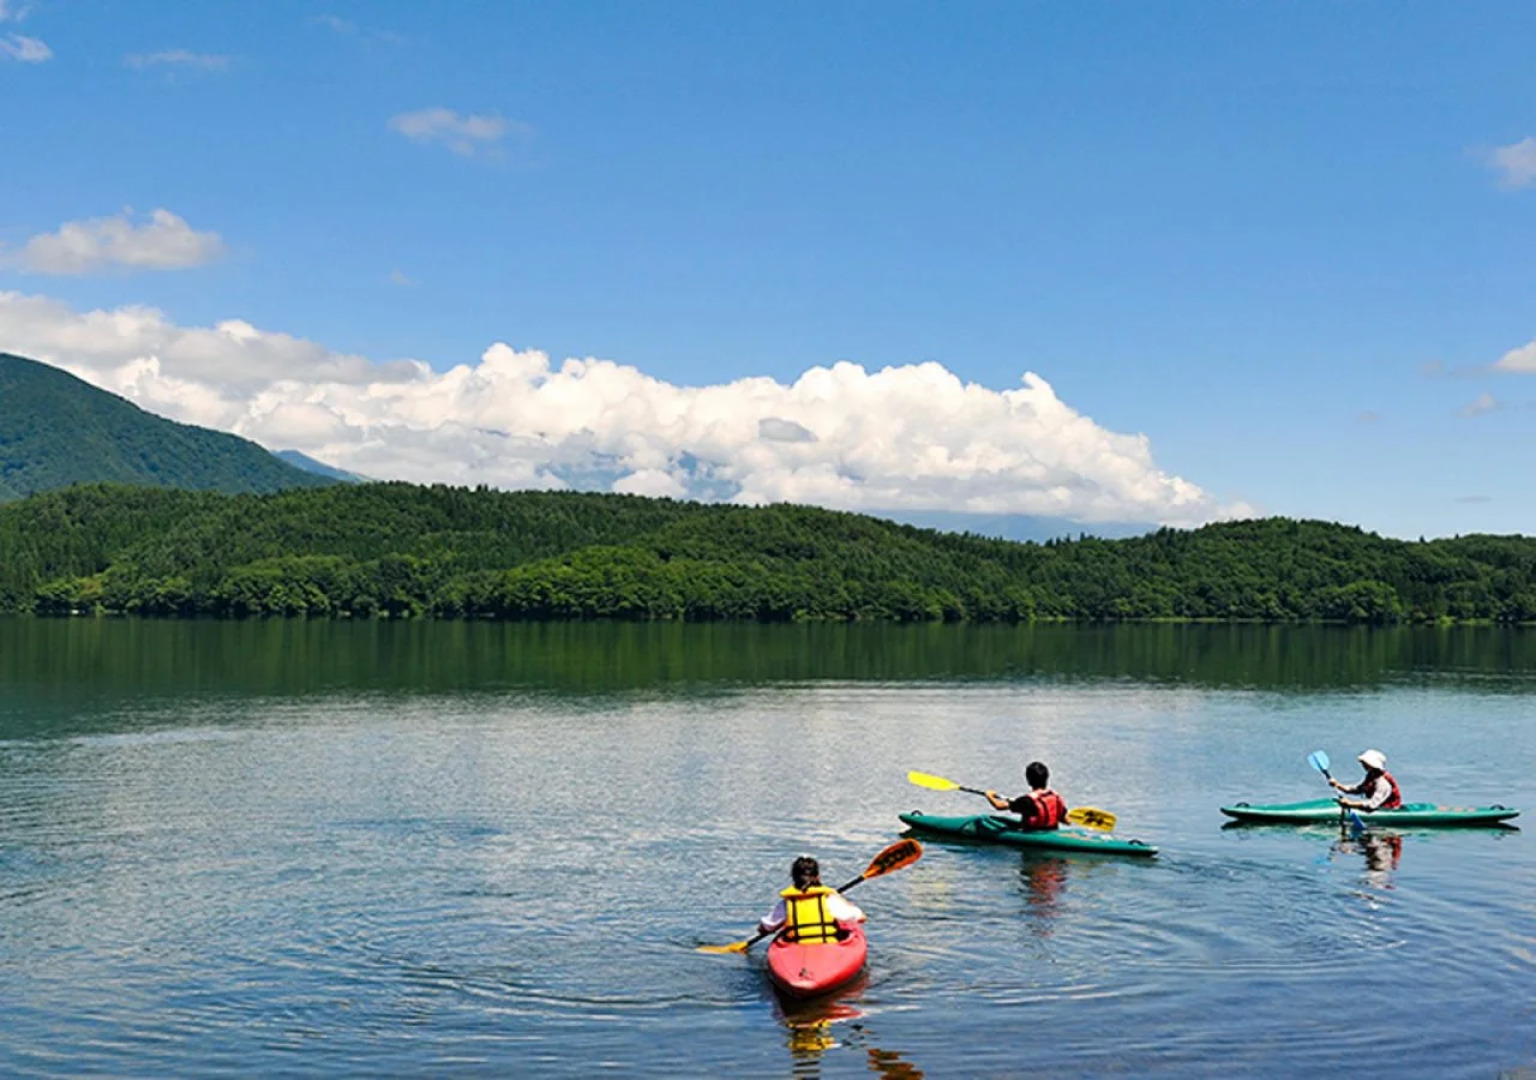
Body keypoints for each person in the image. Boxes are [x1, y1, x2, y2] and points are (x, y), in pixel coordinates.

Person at [758, 856, 866, 944]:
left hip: (797, 947)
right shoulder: (829, 899)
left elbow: (766, 927)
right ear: (818, 877)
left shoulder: (786, 903)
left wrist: (764, 929)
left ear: (793, 877)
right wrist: (842, 900)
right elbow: (860, 917)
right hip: (827, 947)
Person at [985, 760, 1068, 830]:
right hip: (1052, 832)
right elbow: (1066, 821)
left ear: (1028, 780)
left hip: (1033, 835)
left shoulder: (1027, 801)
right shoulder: (1054, 797)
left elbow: (998, 806)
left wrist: (989, 795)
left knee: (986, 821)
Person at [1330, 748, 1403, 811]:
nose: (1363, 765)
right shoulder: (1371, 776)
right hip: (1378, 807)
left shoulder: (1383, 783)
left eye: (1365, 763)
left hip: (1388, 810)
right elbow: (1359, 789)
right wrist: (1338, 785)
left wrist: (1350, 804)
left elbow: (1372, 804)